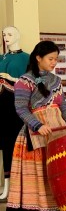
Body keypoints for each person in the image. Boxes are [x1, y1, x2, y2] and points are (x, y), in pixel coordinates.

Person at [5, 40, 66, 211]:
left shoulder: (56, 80)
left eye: (56, 59)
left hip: (56, 132)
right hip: (35, 134)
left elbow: (62, 106)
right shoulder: (24, 81)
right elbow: (20, 109)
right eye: (51, 58)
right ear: (38, 58)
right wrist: (38, 125)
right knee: (38, 177)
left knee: (55, 174)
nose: (54, 62)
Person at [0, 26, 29, 201]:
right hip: (1, 105)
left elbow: (32, 81)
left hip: (16, 104)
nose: (6, 37)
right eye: (4, 35)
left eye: (10, 34)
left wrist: (10, 78)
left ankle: (18, 187)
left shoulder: (26, 58)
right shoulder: (1, 57)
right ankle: (6, 186)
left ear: (18, 35)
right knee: (4, 144)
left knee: (15, 143)